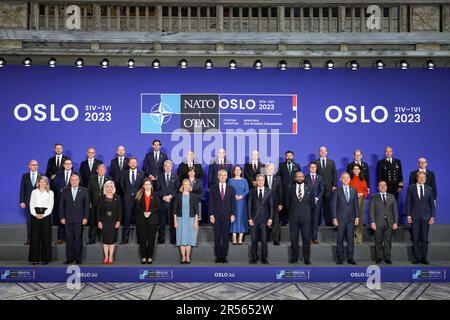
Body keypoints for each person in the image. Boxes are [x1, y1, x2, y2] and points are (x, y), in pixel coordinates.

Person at [406, 172, 435, 264]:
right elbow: (408, 203)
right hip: (414, 217)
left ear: (425, 179)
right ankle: (416, 257)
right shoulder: (411, 188)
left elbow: (431, 205)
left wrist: (432, 216)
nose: (422, 179)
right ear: (417, 178)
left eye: (423, 178)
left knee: (424, 238)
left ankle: (424, 257)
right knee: (415, 238)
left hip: (426, 217)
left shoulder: (429, 189)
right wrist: (408, 215)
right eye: (420, 177)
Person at [59, 174, 89, 264]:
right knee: (69, 239)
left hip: (80, 219)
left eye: (76, 180)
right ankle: (69, 258)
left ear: (79, 181)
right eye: (72, 180)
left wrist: (85, 217)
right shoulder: (65, 191)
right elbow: (61, 205)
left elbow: (86, 206)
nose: (74, 181)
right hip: (67, 219)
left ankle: (78, 258)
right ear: (70, 181)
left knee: (78, 239)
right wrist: (62, 217)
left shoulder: (84, 191)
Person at [332, 172, 359, 265]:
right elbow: (334, 205)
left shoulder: (354, 190)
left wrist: (357, 217)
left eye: (347, 178)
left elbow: (356, 205)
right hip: (340, 219)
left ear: (349, 179)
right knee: (340, 239)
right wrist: (334, 218)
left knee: (351, 239)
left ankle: (350, 258)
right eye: (344, 178)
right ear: (340, 179)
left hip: (351, 219)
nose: (346, 179)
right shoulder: (337, 191)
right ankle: (340, 257)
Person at [287, 171, 315, 265]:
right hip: (293, 217)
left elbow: (312, 203)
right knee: (294, 239)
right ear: (295, 178)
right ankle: (294, 258)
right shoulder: (290, 188)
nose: (299, 178)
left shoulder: (310, 188)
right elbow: (288, 203)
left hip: (306, 217)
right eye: (297, 176)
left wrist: (306, 211)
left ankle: (306, 259)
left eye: (301, 176)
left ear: (304, 178)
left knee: (306, 239)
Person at [209, 169, 236, 263]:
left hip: (227, 216)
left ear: (227, 177)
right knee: (217, 237)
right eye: (221, 175)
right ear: (218, 176)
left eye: (224, 175)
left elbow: (233, 203)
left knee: (225, 237)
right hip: (216, 217)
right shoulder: (213, 188)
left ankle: (224, 256)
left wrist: (233, 214)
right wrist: (211, 215)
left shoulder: (231, 188)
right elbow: (211, 203)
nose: (223, 177)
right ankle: (218, 256)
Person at [369, 181, 399, 264]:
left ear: (387, 187)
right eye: (380, 185)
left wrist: (395, 222)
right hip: (378, 223)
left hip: (389, 223)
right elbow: (371, 211)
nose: (382, 187)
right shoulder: (374, 197)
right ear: (378, 187)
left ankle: (387, 257)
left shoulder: (392, 197)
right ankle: (378, 257)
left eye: (384, 185)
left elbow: (395, 211)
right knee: (378, 241)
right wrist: (372, 222)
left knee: (388, 241)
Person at [53, 159, 80, 245]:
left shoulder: (76, 174)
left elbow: (80, 183)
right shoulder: (59, 174)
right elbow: (54, 184)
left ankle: (70, 238)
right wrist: (61, 190)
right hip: (61, 199)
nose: (68, 165)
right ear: (64, 165)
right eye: (66, 164)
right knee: (61, 218)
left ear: (72, 165)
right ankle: (60, 238)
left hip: (73, 200)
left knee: (72, 218)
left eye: (69, 164)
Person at [248, 174, 273, 264]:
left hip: (265, 219)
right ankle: (254, 257)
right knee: (254, 240)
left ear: (264, 181)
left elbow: (271, 207)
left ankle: (264, 258)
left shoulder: (269, 191)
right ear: (256, 181)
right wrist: (249, 218)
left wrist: (270, 218)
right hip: (254, 219)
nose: (261, 182)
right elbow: (249, 206)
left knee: (264, 240)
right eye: (259, 180)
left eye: (262, 180)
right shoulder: (252, 191)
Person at [29, 176, 54, 265]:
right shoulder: (34, 192)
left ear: (46, 183)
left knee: (46, 237)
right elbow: (31, 204)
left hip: (46, 216)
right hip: (35, 215)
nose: (42, 183)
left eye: (44, 182)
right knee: (35, 237)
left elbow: (51, 206)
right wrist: (35, 214)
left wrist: (43, 214)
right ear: (38, 183)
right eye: (41, 182)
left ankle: (45, 259)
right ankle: (34, 259)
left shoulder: (50, 192)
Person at [119, 157, 145, 244]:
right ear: (129, 164)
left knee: (139, 220)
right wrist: (127, 193)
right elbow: (122, 185)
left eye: (135, 162)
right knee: (127, 219)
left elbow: (143, 186)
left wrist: (138, 195)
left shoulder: (142, 173)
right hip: (127, 200)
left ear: (137, 164)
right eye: (131, 162)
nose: (133, 164)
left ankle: (139, 239)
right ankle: (125, 239)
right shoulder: (124, 173)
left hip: (138, 200)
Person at [135, 178, 160, 264]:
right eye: (145, 184)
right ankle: (143, 257)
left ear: (151, 186)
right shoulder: (139, 194)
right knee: (142, 239)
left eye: (149, 184)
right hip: (141, 219)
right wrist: (144, 213)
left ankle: (149, 257)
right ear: (143, 186)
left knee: (151, 239)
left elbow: (157, 206)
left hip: (153, 220)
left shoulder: (155, 194)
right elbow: (137, 207)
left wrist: (150, 212)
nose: (147, 186)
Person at [96, 180, 122, 264]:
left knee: (112, 240)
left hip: (113, 221)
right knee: (105, 240)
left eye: (111, 186)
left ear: (113, 188)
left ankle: (110, 256)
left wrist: (118, 221)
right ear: (105, 188)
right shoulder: (101, 197)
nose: (109, 188)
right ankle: (106, 257)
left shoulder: (117, 197)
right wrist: (99, 221)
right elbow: (98, 210)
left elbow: (120, 210)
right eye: (108, 186)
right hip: (104, 221)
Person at [174, 179, 199, 264]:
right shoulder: (178, 196)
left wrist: (196, 221)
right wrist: (175, 221)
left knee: (189, 238)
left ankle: (187, 257)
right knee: (181, 238)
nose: (187, 186)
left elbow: (196, 210)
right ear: (182, 186)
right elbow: (175, 210)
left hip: (191, 219)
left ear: (190, 186)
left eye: (188, 184)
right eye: (185, 184)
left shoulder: (194, 196)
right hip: (180, 219)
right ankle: (183, 257)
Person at [155, 160, 180, 244]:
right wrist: (163, 196)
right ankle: (161, 238)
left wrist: (170, 196)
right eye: (166, 166)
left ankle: (173, 239)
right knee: (161, 221)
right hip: (162, 202)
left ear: (172, 167)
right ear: (164, 167)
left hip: (172, 202)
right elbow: (157, 189)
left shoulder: (175, 176)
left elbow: (177, 189)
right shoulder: (160, 176)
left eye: (169, 166)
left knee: (172, 221)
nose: (168, 167)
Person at [87, 164, 113, 244]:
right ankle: (92, 239)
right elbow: (88, 191)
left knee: (104, 221)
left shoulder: (109, 179)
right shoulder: (92, 178)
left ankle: (103, 238)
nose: (101, 171)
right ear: (97, 170)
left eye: (103, 169)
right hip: (94, 204)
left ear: (105, 171)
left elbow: (112, 191)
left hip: (105, 204)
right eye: (100, 169)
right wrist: (89, 202)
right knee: (93, 222)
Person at [20, 160, 43, 245]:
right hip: (28, 202)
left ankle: (39, 240)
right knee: (29, 222)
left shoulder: (42, 175)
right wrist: (22, 201)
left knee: (39, 222)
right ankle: (30, 239)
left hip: (39, 203)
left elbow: (45, 189)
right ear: (29, 166)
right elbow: (22, 189)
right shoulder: (25, 176)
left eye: (36, 165)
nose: (35, 166)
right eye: (33, 165)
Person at [277, 150, 301, 225]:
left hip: (294, 190)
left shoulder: (297, 166)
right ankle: (284, 221)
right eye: (287, 156)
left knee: (294, 206)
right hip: (284, 190)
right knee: (284, 206)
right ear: (285, 157)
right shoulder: (281, 165)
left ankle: (294, 221)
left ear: (293, 156)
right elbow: (278, 177)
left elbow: (299, 177)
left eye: (290, 156)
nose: (289, 157)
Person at [315, 146, 337, 226]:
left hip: (328, 187)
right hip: (318, 188)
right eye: (321, 151)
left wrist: (334, 185)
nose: (322, 152)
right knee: (317, 206)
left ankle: (328, 222)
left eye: (324, 151)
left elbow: (334, 174)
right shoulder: (315, 162)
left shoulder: (332, 162)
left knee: (327, 205)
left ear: (327, 152)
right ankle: (317, 222)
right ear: (319, 152)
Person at [229, 165, 249, 245]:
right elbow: (229, 190)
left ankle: (240, 238)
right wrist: (234, 196)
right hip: (233, 202)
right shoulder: (230, 180)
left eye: (239, 170)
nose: (237, 171)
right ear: (234, 172)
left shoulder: (244, 180)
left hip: (242, 202)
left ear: (241, 171)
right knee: (234, 218)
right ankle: (234, 237)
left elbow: (247, 190)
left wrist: (242, 196)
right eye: (236, 170)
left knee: (241, 218)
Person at [304, 162, 324, 244]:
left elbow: (321, 189)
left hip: (317, 202)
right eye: (311, 167)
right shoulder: (305, 177)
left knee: (315, 220)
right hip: (308, 202)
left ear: (316, 168)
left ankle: (314, 237)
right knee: (308, 220)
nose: (313, 168)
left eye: (314, 167)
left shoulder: (320, 178)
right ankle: (308, 238)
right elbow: (304, 189)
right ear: (309, 168)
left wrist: (317, 198)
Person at [349, 164, 369, 244]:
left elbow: (366, 191)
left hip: (360, 200)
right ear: (352, 170)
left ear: (360, 170)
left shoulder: (363, 179)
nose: (356, 170)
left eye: (357, 169)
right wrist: (354, 194)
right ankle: (352, 237)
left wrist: (362, 194)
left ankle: (359, 237)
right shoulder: (349, 179)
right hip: (351, 200)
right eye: (354, 169)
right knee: (351, 218)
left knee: (359, 218)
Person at [264, 163, 283, 245]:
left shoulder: (278, 178)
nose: (270, 170)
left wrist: (281, 203)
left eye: (271, 169)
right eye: (268, 169)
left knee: (276, 221)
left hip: (275, 203)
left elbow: (281, 192)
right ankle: (266, 238)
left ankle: (276, 239)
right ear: (265, 170)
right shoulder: (262, 178)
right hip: (264, 204)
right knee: (264, 221)